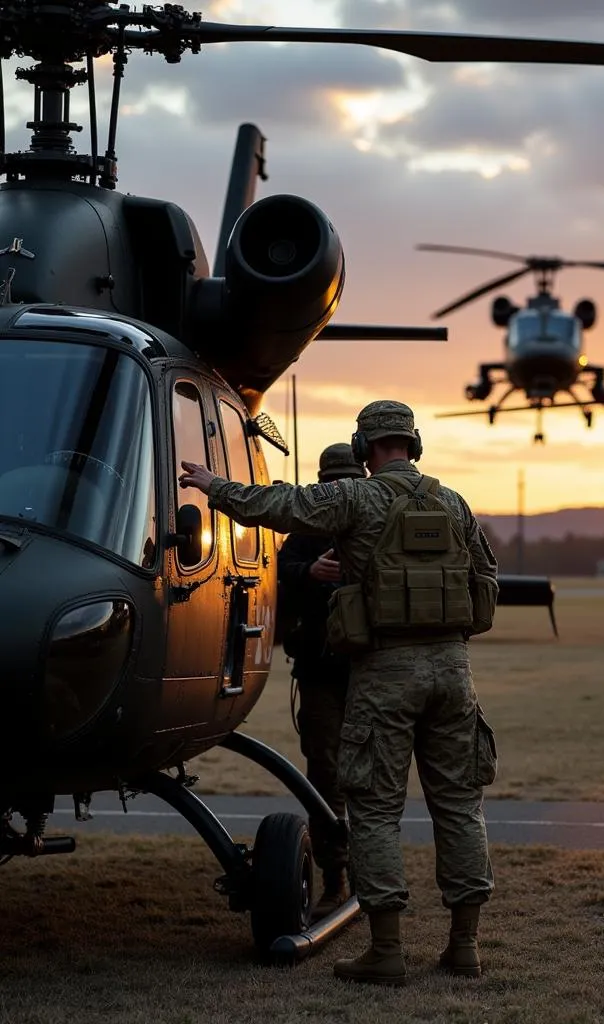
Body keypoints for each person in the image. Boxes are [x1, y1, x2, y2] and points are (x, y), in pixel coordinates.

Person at [179, 400, 498, 987]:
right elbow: (487, 580)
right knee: (459, 806)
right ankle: (464, 946)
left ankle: (387, 950)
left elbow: (279, 505)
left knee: (374, 810)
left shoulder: (356, 498)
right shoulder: (453, 503)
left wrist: (211, 485)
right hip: (455, 672)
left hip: (384, 671)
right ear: (413, 443)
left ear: (363, 449)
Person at [277, 442, 365, 920]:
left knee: (372, 775)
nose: (337, 491)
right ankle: (335, 878)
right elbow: (280, 571)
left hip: (369, 671)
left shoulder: (373, 522)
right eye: (329, 483)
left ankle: (374, 876)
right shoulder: (307, 530)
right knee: (324, 774)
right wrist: (309, 571)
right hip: (317, 673)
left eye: (346, 481)